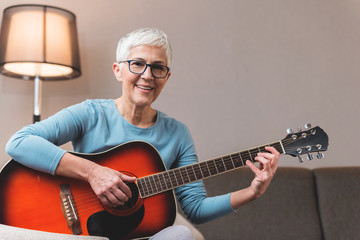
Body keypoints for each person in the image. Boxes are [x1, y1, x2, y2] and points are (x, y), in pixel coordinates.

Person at [6, 28, 280, 240]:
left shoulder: (177, 134)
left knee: (180, 234)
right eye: (137, 64)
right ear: (118, 70)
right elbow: (19, 143)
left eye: (158, 67)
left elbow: (195, 208)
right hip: (82, 230)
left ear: (166, 77)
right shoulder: (91, 113)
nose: (147, 75)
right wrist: (93, 172)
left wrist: (251, 192)